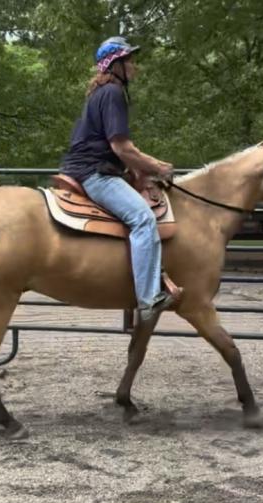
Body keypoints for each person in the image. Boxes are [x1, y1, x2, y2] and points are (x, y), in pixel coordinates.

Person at [60, 36, 180, 321]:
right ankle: (149, 300)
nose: (134, 67)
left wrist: (138, 170)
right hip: (95, 174)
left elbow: (118, 150)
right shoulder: (113, 93)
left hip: (90, 167)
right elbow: (121, 147)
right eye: (130, 61)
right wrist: (158, 167)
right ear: (116, 65)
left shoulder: (99, 93)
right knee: (143, 219)